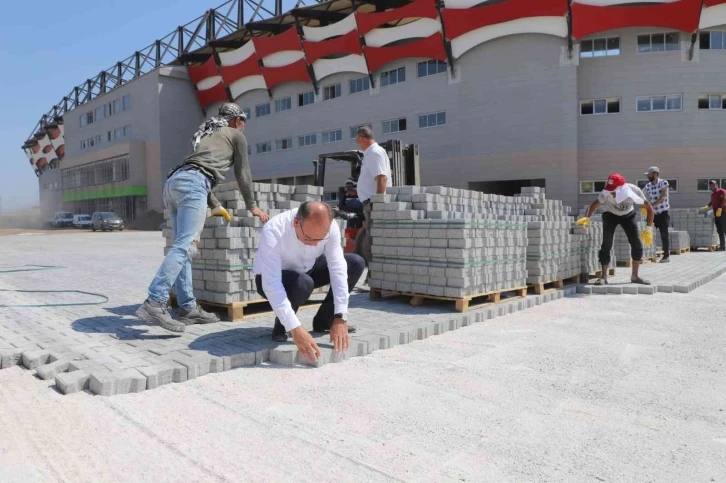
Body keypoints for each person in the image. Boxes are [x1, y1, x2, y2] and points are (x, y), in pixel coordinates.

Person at [136, 103, 269, 333]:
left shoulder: (205, 131)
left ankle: (187, 307)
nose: (244, 126)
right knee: (186, 246)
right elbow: (243, 172)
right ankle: (154, 301)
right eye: (243, 121)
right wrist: (253, 206)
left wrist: (215, 204)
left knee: (182, 248)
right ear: (237, 120)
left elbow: (197, 167)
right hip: (194, 184)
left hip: (174, 184)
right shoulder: (235, 135)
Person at [253, 201, 366, 362]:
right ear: (296, 223)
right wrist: (296, 329)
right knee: (303, 283)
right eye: (308, 238)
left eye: (319, 240)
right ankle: (283, 326)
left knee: (355, 263)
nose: (314, 244)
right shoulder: (274, 230)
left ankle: (325, 321)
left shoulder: (330, 226)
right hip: (273, 278)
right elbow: (271, 283)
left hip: (308, 268)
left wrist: (341, 316)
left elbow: (338, 268)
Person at [577, 173, 655, 286]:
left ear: (622, 188)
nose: (611, 192)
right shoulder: (606, 192)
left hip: (628, 215)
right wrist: (586, 218)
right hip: (610, 214)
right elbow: (592, 206)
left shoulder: (634, 190)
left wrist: (648, 229)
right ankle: (603, 277)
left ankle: (635, 276)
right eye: (610, 189)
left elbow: (650, 209)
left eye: (613, 190)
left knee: (636, 244)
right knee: (606, 244)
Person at [353, 126, 391, 266]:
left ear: (362, 138)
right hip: (369, 202)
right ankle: (374, 277)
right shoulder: (370, 154)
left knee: (372, 241)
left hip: (372, 202)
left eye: (357, 140)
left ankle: (374, 276)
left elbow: (382, 178)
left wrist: (378, 203)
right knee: (371, 239)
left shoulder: (375, 152)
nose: (358, 143)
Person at [642, 166, 671, 263]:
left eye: (649, 175)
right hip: (653, 214)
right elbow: (641, 194)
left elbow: (662, 198)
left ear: (655, 174)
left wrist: (650, 206)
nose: (648, 177)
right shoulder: (648, 186)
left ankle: (666, 255)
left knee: (664, 234)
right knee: (647, 231)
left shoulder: (664, 183)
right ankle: (646, 253)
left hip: (663, 213)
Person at [701, 180, 726, 251]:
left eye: (713, 185)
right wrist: (707, 206)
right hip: (717, 213)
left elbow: (724, 200)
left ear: (716, 185)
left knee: (721, 229)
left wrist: (720, 208)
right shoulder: (713, 194)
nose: (712, 186)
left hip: (723, 212)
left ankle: (723, 246)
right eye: (711, 185)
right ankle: (722, 245)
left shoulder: (721, 191)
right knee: (720, 229)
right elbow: (712, 201)